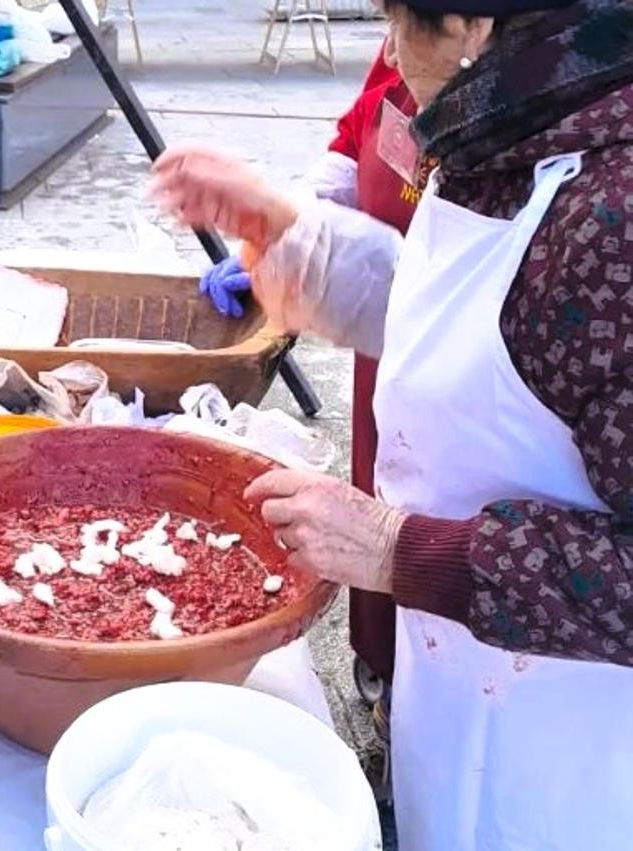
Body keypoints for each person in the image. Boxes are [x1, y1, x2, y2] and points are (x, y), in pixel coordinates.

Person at [153, 0, 633, 847]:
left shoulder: (610, 221)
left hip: (580, 759)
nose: (387, 52)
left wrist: (396, 549)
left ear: (473, 27)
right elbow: (474, 332)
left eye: (395, 22)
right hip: (459, 690)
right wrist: (288, 230)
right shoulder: (516, 126)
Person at [201, 40, 432, 712]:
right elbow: (358, 130)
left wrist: (314, 253)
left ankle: (421, 700)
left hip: (458, 346)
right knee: (376, 487)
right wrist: (286, 233)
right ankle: (382, 671)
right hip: (379, 342)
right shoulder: (411, 38)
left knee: (428, 532)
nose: (394, 34)